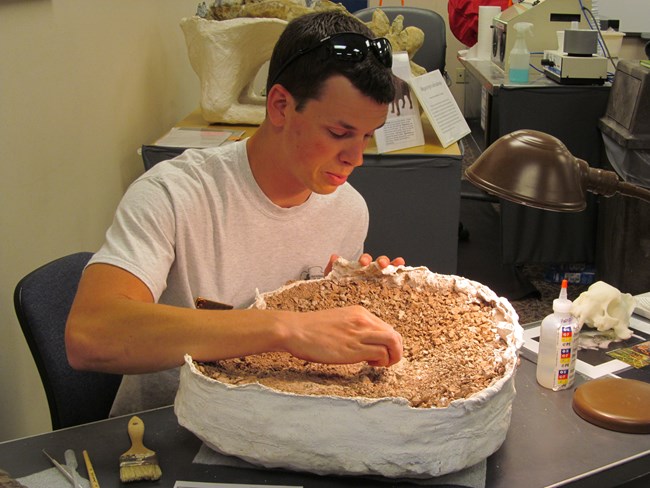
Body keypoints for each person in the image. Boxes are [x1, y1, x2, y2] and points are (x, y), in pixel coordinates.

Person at [65, 10, 405, 416]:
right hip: (171, 431)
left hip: (278, 423)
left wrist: (343, 303)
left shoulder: (347, 209)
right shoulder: (175, 193)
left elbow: (306, 356)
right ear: (280, 105)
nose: (356, 157)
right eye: (338, 133)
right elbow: (91, 334)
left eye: (367, 136)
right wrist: (286, 327)